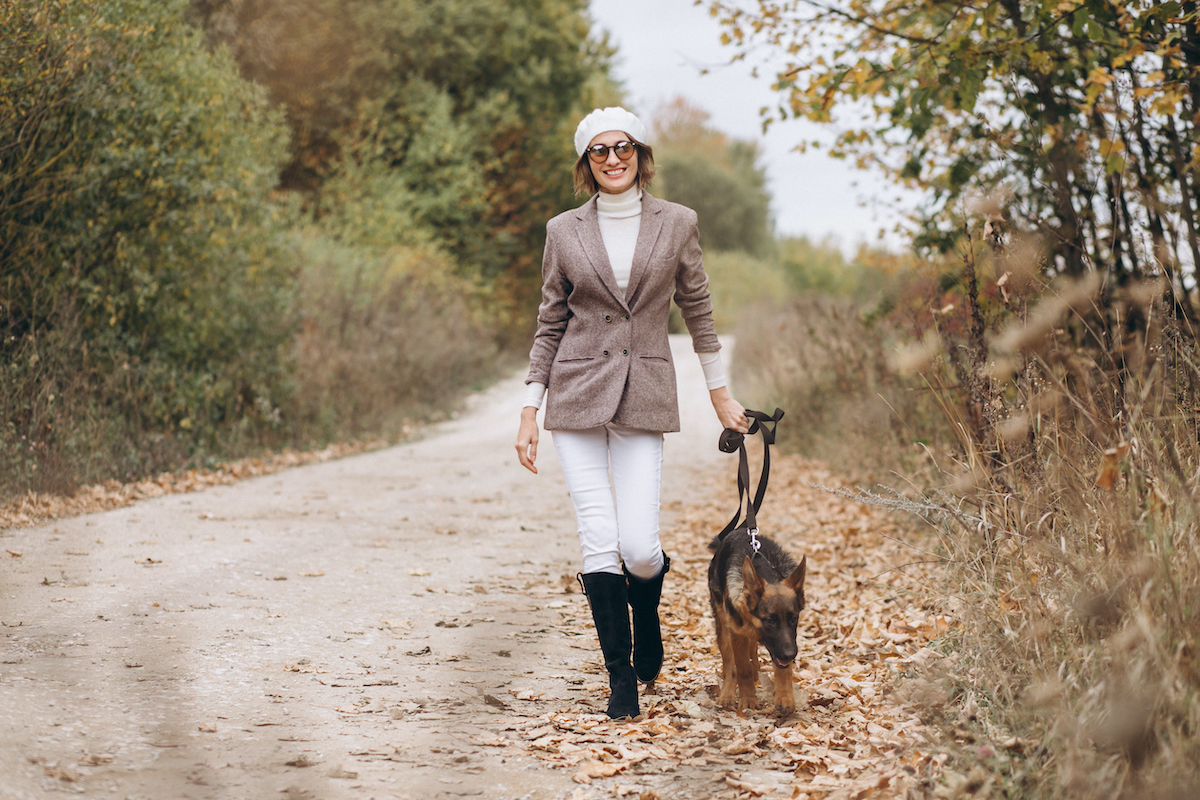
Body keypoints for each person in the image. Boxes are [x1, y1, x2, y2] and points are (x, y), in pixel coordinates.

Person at [515, 107, 749, 720]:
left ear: (640, 153)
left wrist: (719, 392)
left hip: (644, 390)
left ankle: (646, 612)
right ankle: (619, 678)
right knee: (599, 535)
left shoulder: (677, 223)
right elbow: (549, 323)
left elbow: (698, 310)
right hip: (575, 391)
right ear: (585, 163)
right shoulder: (563, 230)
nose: (612, 158)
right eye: (599, 151)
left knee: (640, 548)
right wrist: (529, 407)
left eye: (622, 147)